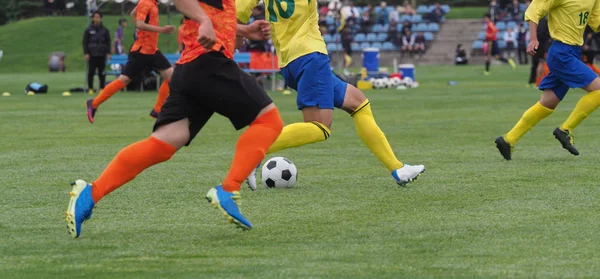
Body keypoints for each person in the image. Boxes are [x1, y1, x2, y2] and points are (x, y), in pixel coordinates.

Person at [65, 0, 280, 238]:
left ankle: (91, 193)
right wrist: (205, 21)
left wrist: (243, 30)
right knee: (269, 121)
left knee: (163, 144)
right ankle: (229, 189)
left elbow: (213, 12)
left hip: (192, 68)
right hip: (209, 63)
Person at [238, 0, 425, 190]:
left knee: (358, 103)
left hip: (289, 62)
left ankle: (397, 169)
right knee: (320, 127)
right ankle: (254, 151)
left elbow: (234, 14)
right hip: (310, 55)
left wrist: (240, 34)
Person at [495, 0, 600, 160]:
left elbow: (596, 20)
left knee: (547, 104)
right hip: (561, 53)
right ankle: (565, 130)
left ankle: (508, 139)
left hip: (572, 52)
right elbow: (533, 10)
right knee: (598, 90)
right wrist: (533, 39)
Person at [86, 0, 176, 123]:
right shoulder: (146, 3)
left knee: (171, 76)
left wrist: (143, 32)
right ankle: (94, 103)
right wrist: (161, 30)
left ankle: (158, 110)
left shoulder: (151, 3)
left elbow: (133, 13)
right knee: (124, 80)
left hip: (152, 50)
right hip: (141, 51)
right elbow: (139, 23)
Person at [83, 11, 111, 94]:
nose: (96, 19)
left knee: (102, 72)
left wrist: (108, 52)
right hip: (92, 54)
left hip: (102, 54)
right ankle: (90, 88)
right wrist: (86, 53)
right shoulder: (88, 30)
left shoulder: (105, 30)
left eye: (98, 17)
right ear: (92, 18)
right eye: (95, 17)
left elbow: (108, 41)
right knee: (91, 72)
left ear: (101, 18)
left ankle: (102, 88)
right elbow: (85, 42)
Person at [527, 16, 550, 87]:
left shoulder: (537, 19)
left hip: (536, 43)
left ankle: (533, 81)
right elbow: (542, 32)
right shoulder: (544, 20)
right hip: (542, 44)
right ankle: (538, 82)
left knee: (535, 64)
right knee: (541, 62)